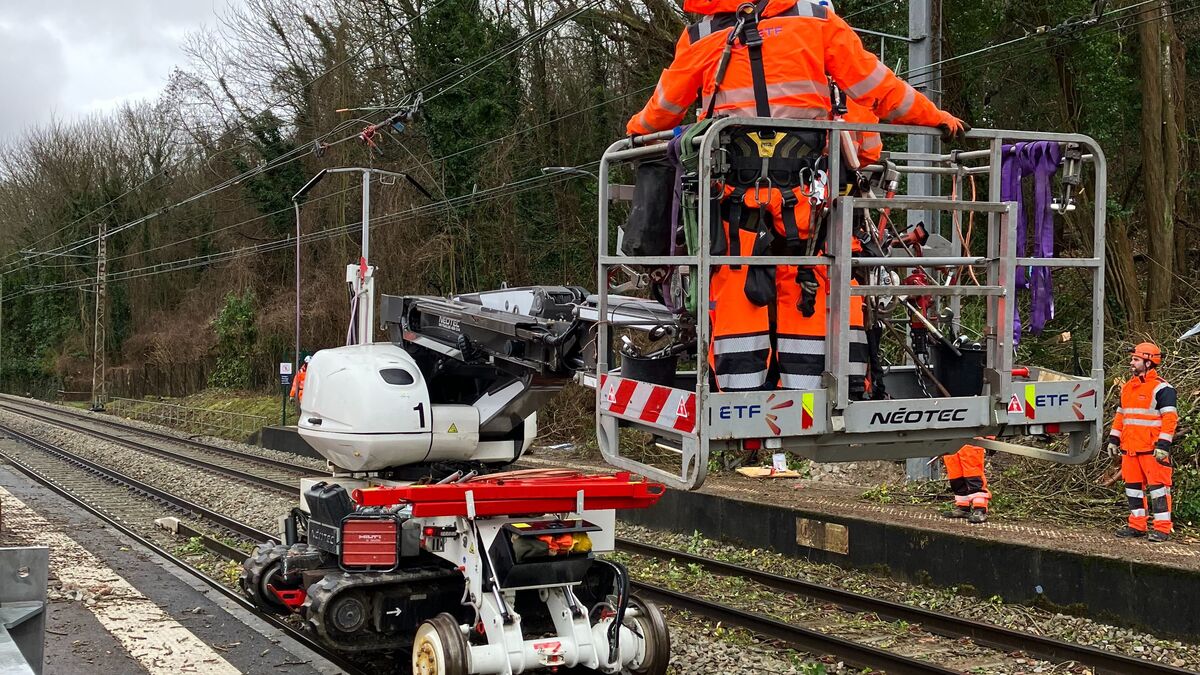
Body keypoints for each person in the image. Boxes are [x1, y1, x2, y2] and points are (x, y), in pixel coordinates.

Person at [628, 0, 967, 392]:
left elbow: (661, 111)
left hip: (734, 206)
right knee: (812, 287)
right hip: (807, 201)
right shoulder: (817, 22)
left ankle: (739, 398)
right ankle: (818, 395)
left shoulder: (701, 36)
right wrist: (936, 117)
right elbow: (877, 88)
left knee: (737, 294)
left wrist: (636, 129)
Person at [1110, 342, 1177, 542]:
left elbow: (1170, 419)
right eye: (1132, 359)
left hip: (1152, 450)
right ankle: (1137, 526)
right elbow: (1121, 415)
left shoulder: (1163, 389)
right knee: (1133, 489)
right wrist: (1113, 439)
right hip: (1130, 449)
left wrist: (1163, 445)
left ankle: (1162, 529)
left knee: (1159, 490)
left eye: (1136, 359)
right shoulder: (1128, 387)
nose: (1132, 362)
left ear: (1148, 363)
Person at [943, 440, 989, 524]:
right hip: (950, 441)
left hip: (971, 440)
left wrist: (990, 437)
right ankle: (963, 507)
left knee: (974, 476)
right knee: (956, 477)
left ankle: (980, 509)